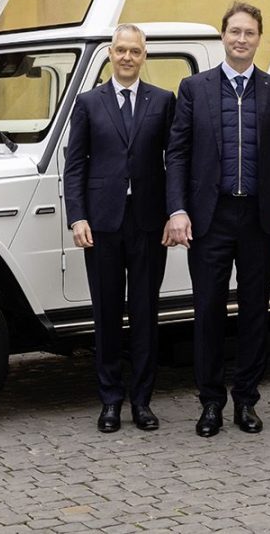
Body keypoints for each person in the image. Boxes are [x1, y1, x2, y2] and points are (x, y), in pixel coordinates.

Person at [165, 1, 270, 437]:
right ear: (223, 36)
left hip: (259, 218)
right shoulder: (194, 89)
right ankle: (210, 403)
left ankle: (246, 400)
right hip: (210, 218)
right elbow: (178, 155)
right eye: (234, 32)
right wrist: (178, 208)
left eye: (250, 33)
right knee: (207, 311)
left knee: (254, 312)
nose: (241, 39)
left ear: (259, 39)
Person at [63, 24, 176, 433]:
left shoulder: (163, 101)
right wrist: (77, 217)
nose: (128, 57)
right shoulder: (89, 103)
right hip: (102, 223)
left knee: (146, 314)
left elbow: (174, 161)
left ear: (145, 56)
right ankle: (110, 400)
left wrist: (174, 212)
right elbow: (75, 165)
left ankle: (142, 402)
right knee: (107, 314)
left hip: (148, 222)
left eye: (135, 51)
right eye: (121, 50)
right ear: (110, 54)